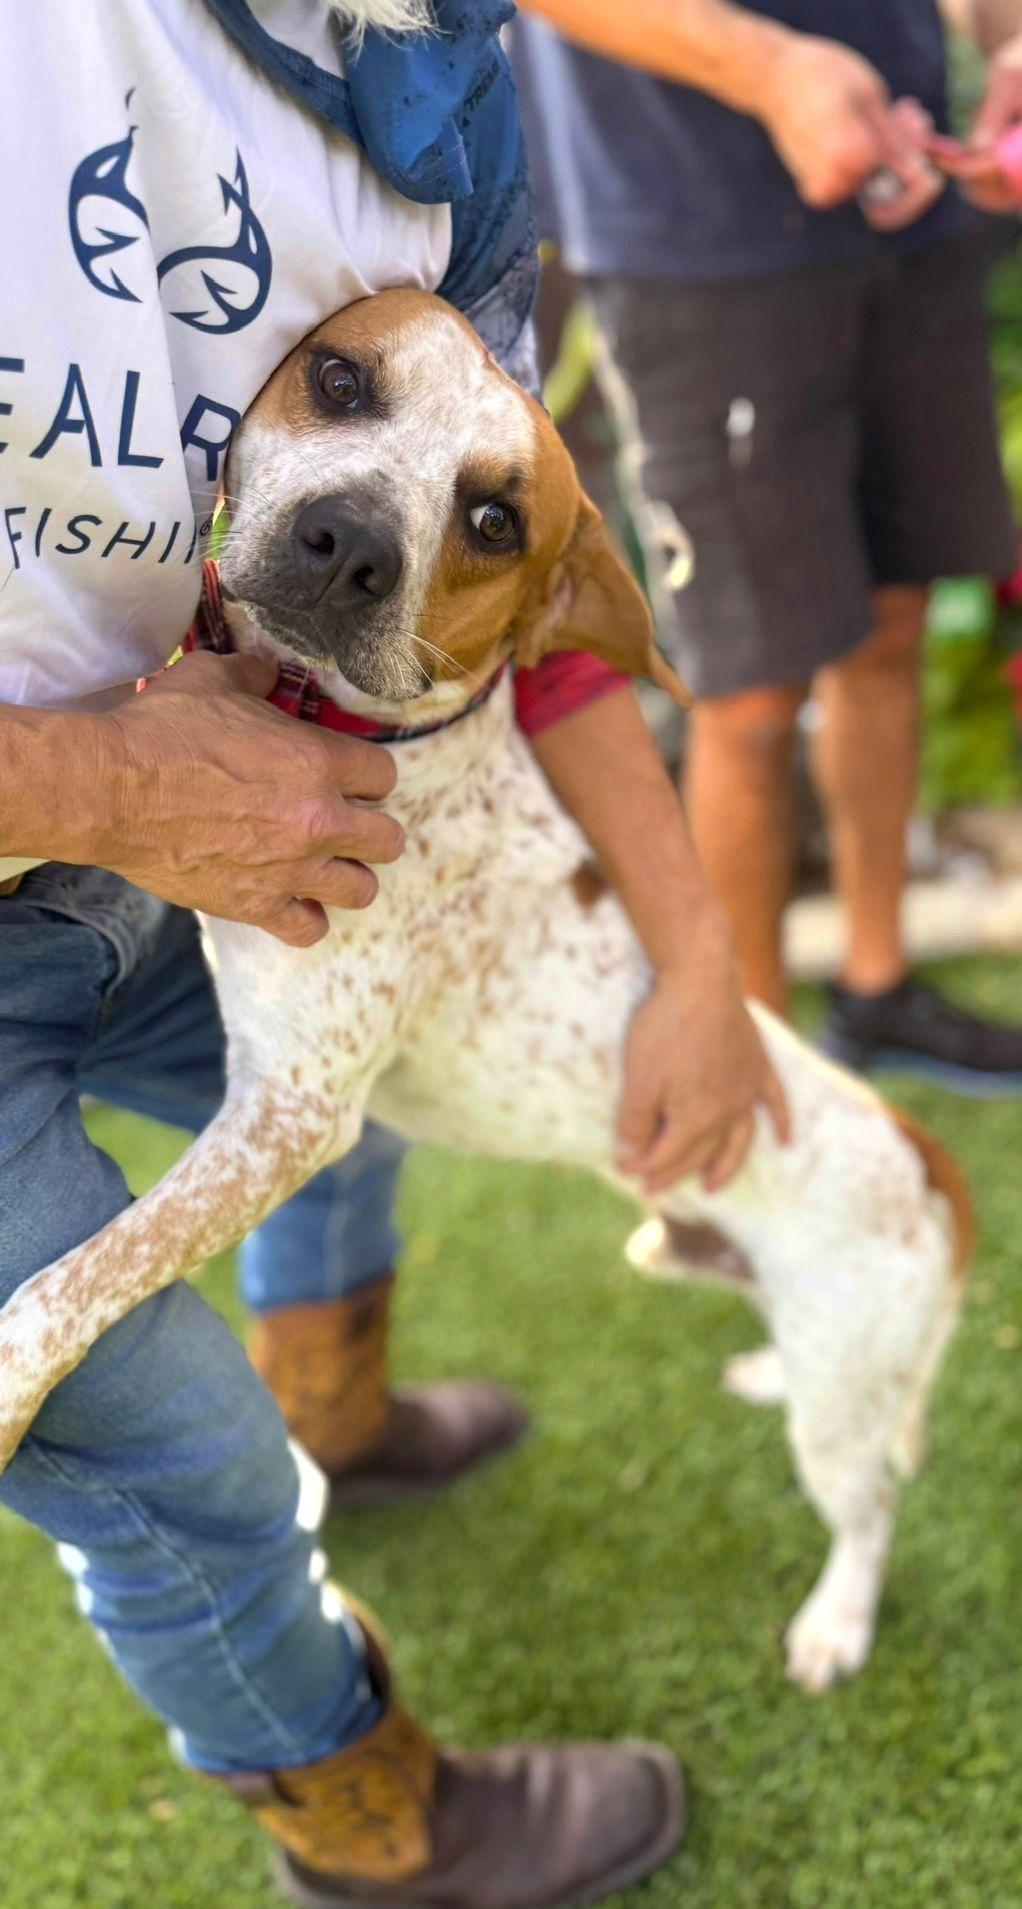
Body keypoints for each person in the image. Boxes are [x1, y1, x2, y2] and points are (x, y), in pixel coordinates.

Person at [0, 4, 783, 1903]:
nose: (371, 532)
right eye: (340, 400)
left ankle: (337, 1393)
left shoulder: (438, 75)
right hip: (92, 796)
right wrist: (94, 779)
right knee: (163, 1435)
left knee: (362, 1076)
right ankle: (373, 1827)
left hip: (226, 783)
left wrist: (699, 961)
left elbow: (518, 548)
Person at [515, 0, 1022, 1089]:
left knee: (889, 627)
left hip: (905, 207)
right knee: (746, 695)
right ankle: (755, 1073)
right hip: (690, 239)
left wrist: (1008, 38)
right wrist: (767, 68)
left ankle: (874, 992)